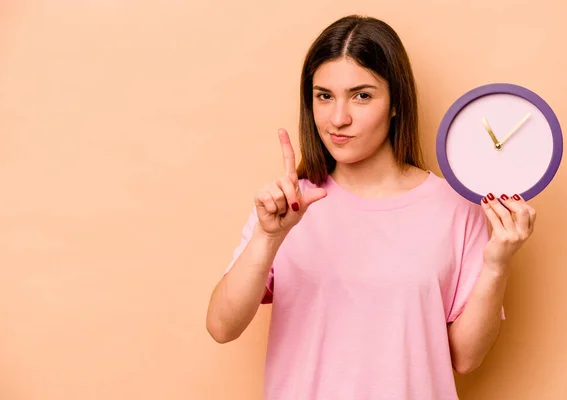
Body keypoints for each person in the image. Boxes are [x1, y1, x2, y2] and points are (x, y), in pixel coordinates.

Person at [206, 14, 536, 400]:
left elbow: (465, 358)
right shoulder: (286, 207)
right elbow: (221, 327)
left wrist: (497, 264)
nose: (338, 118)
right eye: (324, 96)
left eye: (361, 95)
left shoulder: (456, 206)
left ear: (396, 103)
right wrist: (267, 237)